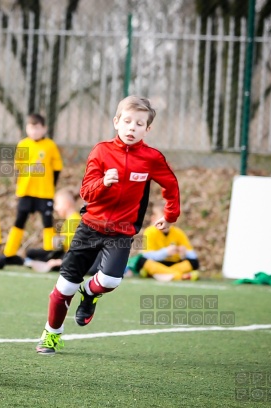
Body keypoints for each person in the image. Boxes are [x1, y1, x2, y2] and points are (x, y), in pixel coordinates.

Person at [35, 95, 181, 354]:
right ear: (116, 122)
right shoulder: (101, 151)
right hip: (89, 227)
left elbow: (171, 185)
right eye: (127, 121)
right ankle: (51, 333)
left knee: (111, 281)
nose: (131, 128)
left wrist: (170, 215)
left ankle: (89, 294)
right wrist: (104, 182)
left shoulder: (151, 158)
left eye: (139, 124)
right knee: (64, 287)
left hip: (121, 232)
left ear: (147, 129)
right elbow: (86, 193)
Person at [3, 113, 63, 265]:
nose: (34, 131)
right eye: (31, 127)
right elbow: (18, 168)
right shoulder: (23, 144)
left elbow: (57, 169)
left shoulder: (50, 145)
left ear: (44, 129)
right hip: (26, 191)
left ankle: (49, 252)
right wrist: (19, 186)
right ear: (26, 128)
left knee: (47, 222)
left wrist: (51, 187)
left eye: (37, 128)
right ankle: (9, 253)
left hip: (45, 192)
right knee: (19, 220)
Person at [126, 203, 199, 281]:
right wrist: (166, 252)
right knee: (142, 261)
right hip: (157, 263)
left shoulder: (178, 232)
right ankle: (179, 276)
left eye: (168, 219)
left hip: (175, 263)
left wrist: (185, 253)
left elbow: (193, 256)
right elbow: (147, 255)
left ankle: (157, 274)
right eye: (162, 219)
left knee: (193, 262)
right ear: (154, 219)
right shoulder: (149, 232)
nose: (165, 223)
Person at [24, 187, 81, 273]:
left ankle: (54, 264)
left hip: (73, 257)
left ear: (66, 204)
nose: (55, 208)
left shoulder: (74, 221)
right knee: (32, 253)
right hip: (65, 254)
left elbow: (76, 249)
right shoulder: (67, 222)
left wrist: (59, 260)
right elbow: (62, 246)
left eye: (57, 204)